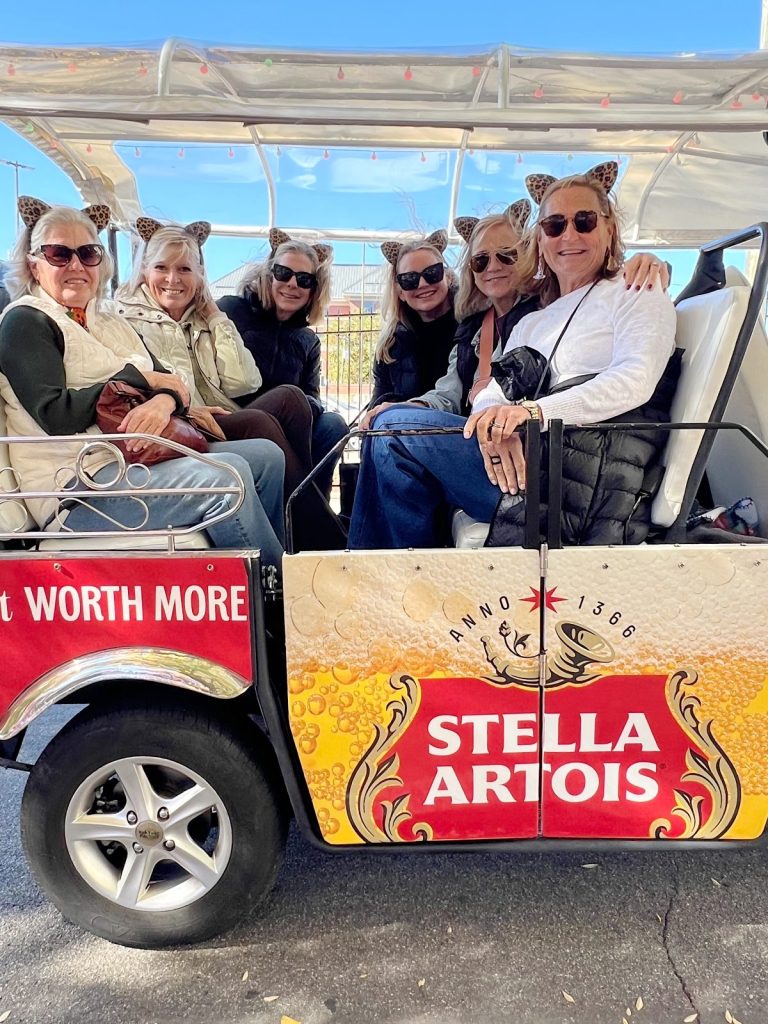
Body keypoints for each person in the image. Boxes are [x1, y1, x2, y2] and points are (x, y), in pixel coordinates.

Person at [348, 162, 678, 549]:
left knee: (394, 427)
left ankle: (382, 576)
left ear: (609, 229)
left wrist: (533, 414)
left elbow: (635, 378)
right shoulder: (534, 322)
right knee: (389, 430)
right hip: (530, 460)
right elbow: (495, 387)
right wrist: (492, 422)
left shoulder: (636, 290)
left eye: (584, 221)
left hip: (581, 482)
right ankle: (398, 571)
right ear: (541, 238)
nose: (568, 234)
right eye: (555, 225)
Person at [0, 197, 285, 568]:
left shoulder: (108, 322)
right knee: (226, 478)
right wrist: (140, 380)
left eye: (88, 253)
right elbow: (56, 415)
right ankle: (277, 594)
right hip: (77, 490)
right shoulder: (26, 322)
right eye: (58, 254)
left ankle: (261, 578)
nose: (75, 265)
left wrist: (163, 400)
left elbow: (171, 381)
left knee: (266, 457)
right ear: (34, 265)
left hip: (132, 462)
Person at [107, 219, 341, 548]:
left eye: (304, 279)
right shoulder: (127, 318)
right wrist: (185, 404)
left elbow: (243, 381)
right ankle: (324, 538)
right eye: (162, 267)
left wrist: (213, 316)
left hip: (223, 411)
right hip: (186, 420)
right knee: (267, 418)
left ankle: (303, 523)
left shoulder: (298, 338)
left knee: (303, 405)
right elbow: (144, 380)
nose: (173, 279)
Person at [361, 203, 670, 429]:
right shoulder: (469, 327)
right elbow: (450, 391)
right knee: (388, 423)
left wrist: (651, 263)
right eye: (481, 260)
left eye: (506, 255)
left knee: (393, 426)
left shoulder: (546, 310)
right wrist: (410, 406)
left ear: (527, 255)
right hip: (477, 430)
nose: (493, 266)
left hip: (526, 437)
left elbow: (592, 293)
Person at [218, 229, 349, 497]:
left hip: (289, 424)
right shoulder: (231, 311)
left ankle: (314, 500)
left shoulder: (307, 340)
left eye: (304, 279)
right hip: (233, 414)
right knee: (288, 397)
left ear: (314, 289)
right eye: (283, 273)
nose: (292, 284)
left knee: (334, 425)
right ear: (269, 274)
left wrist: (304, 409)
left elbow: (312, 396)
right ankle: (314, 519)